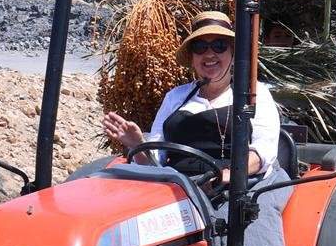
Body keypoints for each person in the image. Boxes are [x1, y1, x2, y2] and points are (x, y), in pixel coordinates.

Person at [101, 11, 283, 181]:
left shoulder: (254, 94)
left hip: (234, 188)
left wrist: (227, 176)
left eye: (219, 46)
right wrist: (138, 145)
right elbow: (155, 162)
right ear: (192, 57)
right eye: (200, 47)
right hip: (179, 186)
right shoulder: (175, 97)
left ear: (233, 54)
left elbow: (263, 151)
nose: (210, 54)